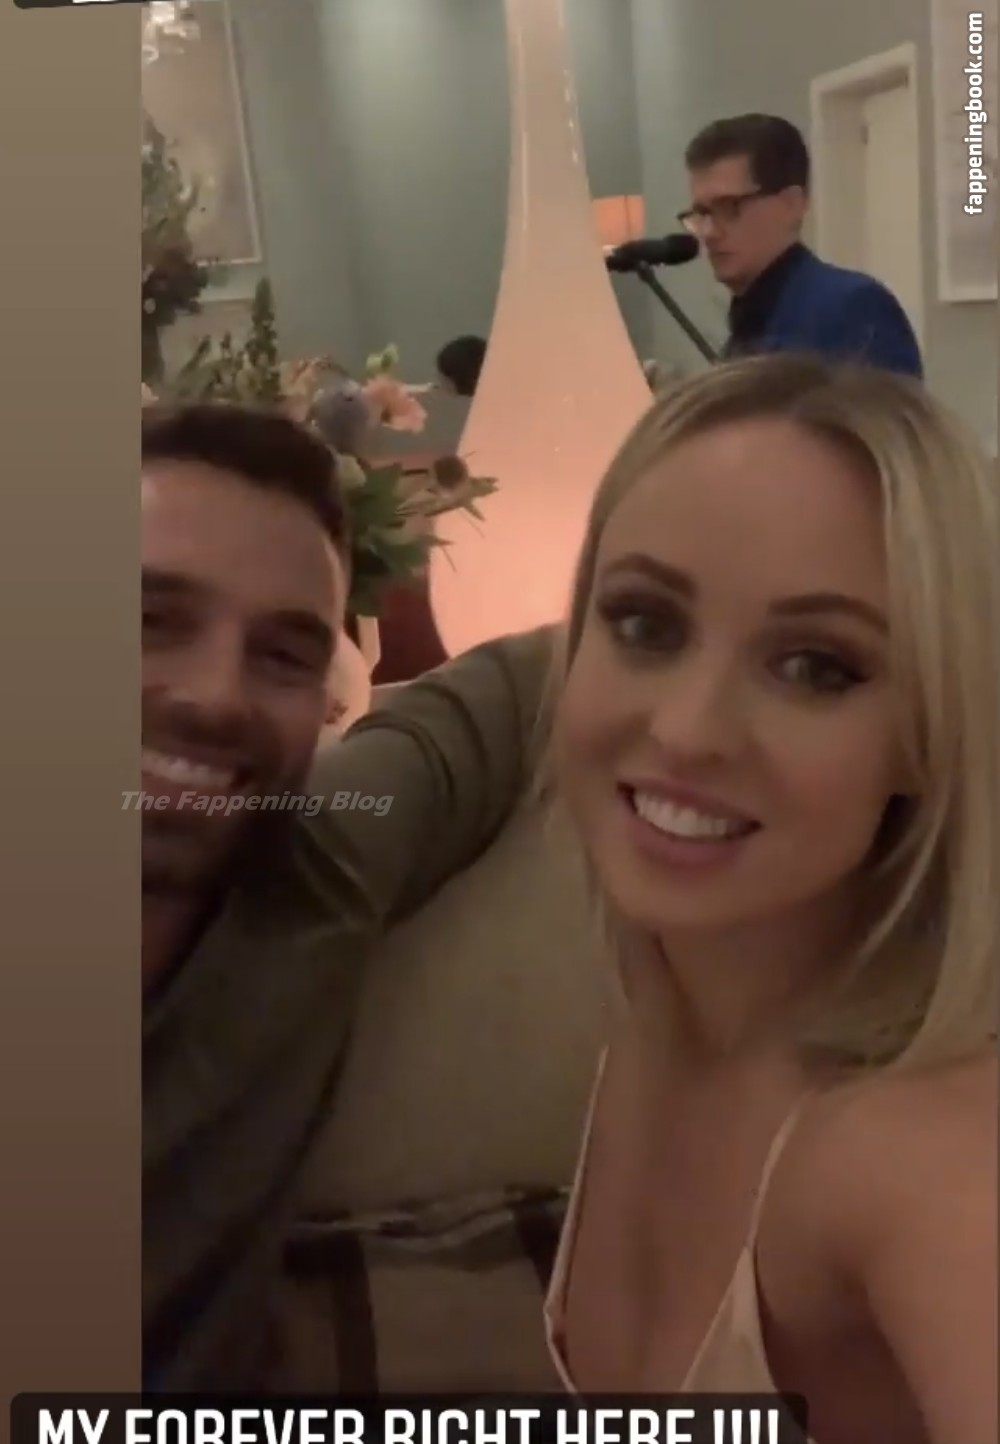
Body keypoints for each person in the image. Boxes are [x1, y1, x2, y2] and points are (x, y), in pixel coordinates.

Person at [540, 356, 996, 1440]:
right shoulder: (650, 1019)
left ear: (931, 734)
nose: (688, 729)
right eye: (645, 623)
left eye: (816, 667)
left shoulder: (924, 1160)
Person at [141, 402, 554, 1389]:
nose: (215, 695)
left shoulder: (310, 872)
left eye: (285, 654)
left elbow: (519, 685)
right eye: (148, 621)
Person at [681, 115, 923, 378]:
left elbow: (885, 407)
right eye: (702, 213)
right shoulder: (748, 323)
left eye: (730, 207)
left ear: (792, 204)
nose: (709, 232)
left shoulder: (853, 307)